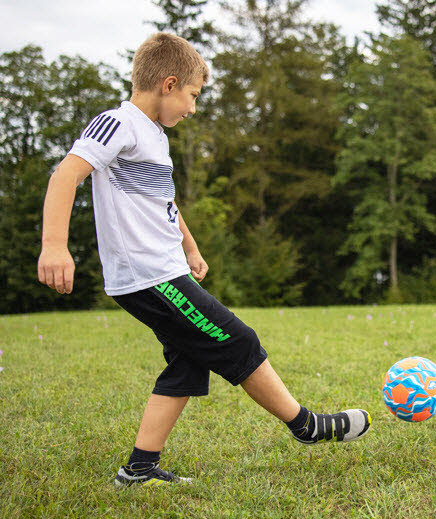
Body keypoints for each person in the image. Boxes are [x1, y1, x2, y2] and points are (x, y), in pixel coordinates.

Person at [37, 32, 371, 488]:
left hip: (165, 268)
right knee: (239, 341)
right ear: (169, 84)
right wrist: (55, 244)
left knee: (188, 363)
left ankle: (138, 469)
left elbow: (164, 205)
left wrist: (190, 247)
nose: (193, 108)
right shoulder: (118, 123)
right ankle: (306, 426)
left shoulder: (154, 137)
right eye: (193, 96)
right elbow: (66, 175)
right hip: (149, 276)